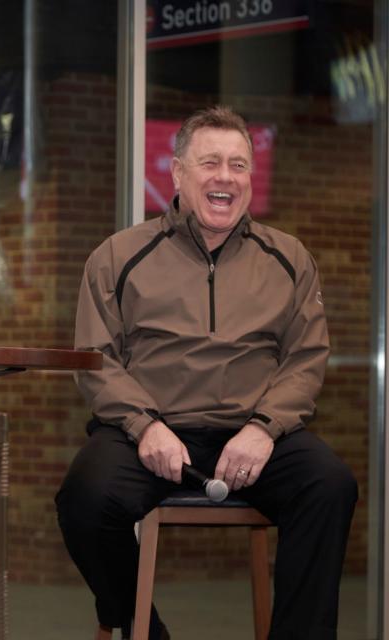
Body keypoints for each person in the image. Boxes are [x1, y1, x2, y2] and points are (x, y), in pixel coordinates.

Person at [55, 106, 357, 640]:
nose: (225, 177)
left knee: (329, 485)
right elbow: (96, 358)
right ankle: (141, 625)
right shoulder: (117, 255)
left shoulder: (289, 258)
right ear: (176, 173)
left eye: (239, 165)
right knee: (86, 497)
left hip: (255, 432)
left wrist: (264, 428)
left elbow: (305, 358)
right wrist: (145, 425)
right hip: (149, 431)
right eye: (210, 162)